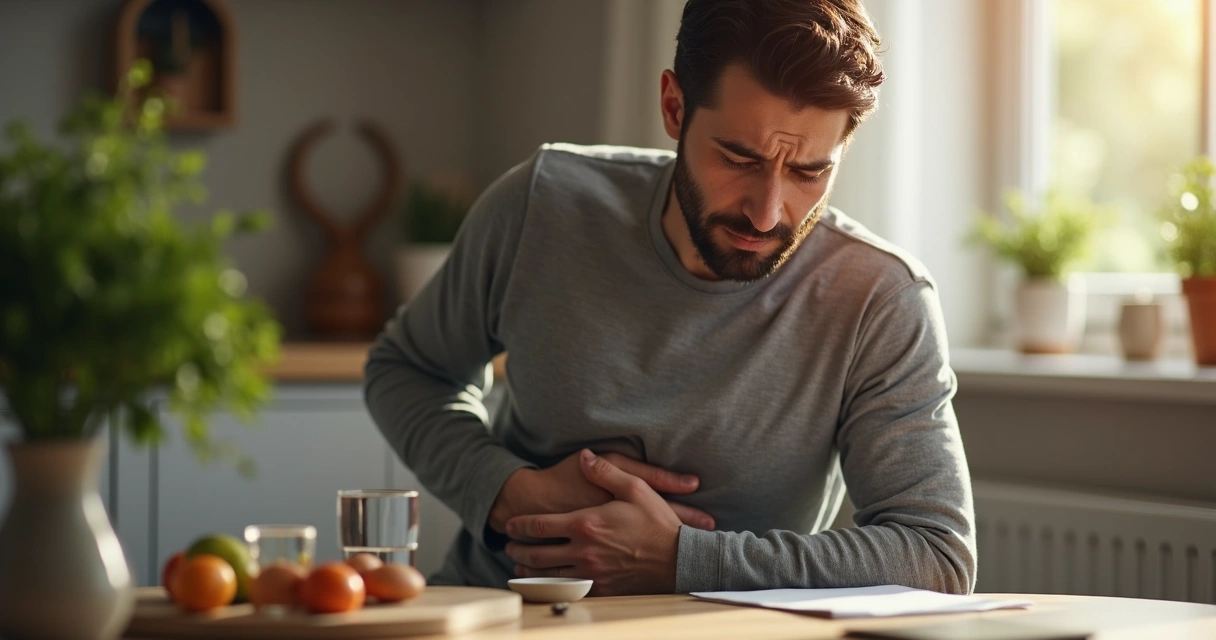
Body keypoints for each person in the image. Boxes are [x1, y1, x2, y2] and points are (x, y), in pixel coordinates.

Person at [365, 0, 975, 597]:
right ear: (673, 106)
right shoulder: (542, 204)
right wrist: (508, 491)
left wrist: (684, 561)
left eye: (809, 172)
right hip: (496, 615)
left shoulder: (879, 298)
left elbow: (936, 554)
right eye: (740, 157)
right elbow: (407, 371)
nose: (767, 213)